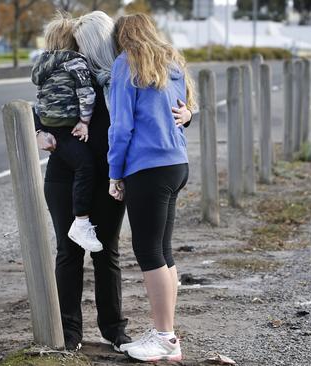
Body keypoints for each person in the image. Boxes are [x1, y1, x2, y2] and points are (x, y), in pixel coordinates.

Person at [34, 11, 194, 353]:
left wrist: (190, 114)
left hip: (111, 176)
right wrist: (40, 130)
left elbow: (166, 103)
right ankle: (69, 332)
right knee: (69, 251)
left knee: (107, 252)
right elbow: (43, 105)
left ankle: (114, 331)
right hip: (67, 177)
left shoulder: (123, 73)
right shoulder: (73, 74)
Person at [106, 14, 197, 362]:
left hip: (148, 167)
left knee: (149, 251)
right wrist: (188, 115)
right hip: (177, 165)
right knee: (163, 250)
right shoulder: (170, 59)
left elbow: (121, 127)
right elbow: (186, 109)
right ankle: (168, 337)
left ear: (121, 37)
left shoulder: (126, 62)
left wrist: (115, 172)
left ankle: (164, 336)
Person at [31, 14, 102, 252]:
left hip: (50, 123)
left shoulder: (42, 64)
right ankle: (81, 220)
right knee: (85, 166)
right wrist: (84, 120)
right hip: (67, 127)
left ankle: (80, 222)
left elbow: (38, 98)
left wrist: (41, 127)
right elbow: (86, 94)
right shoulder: (77, 62)